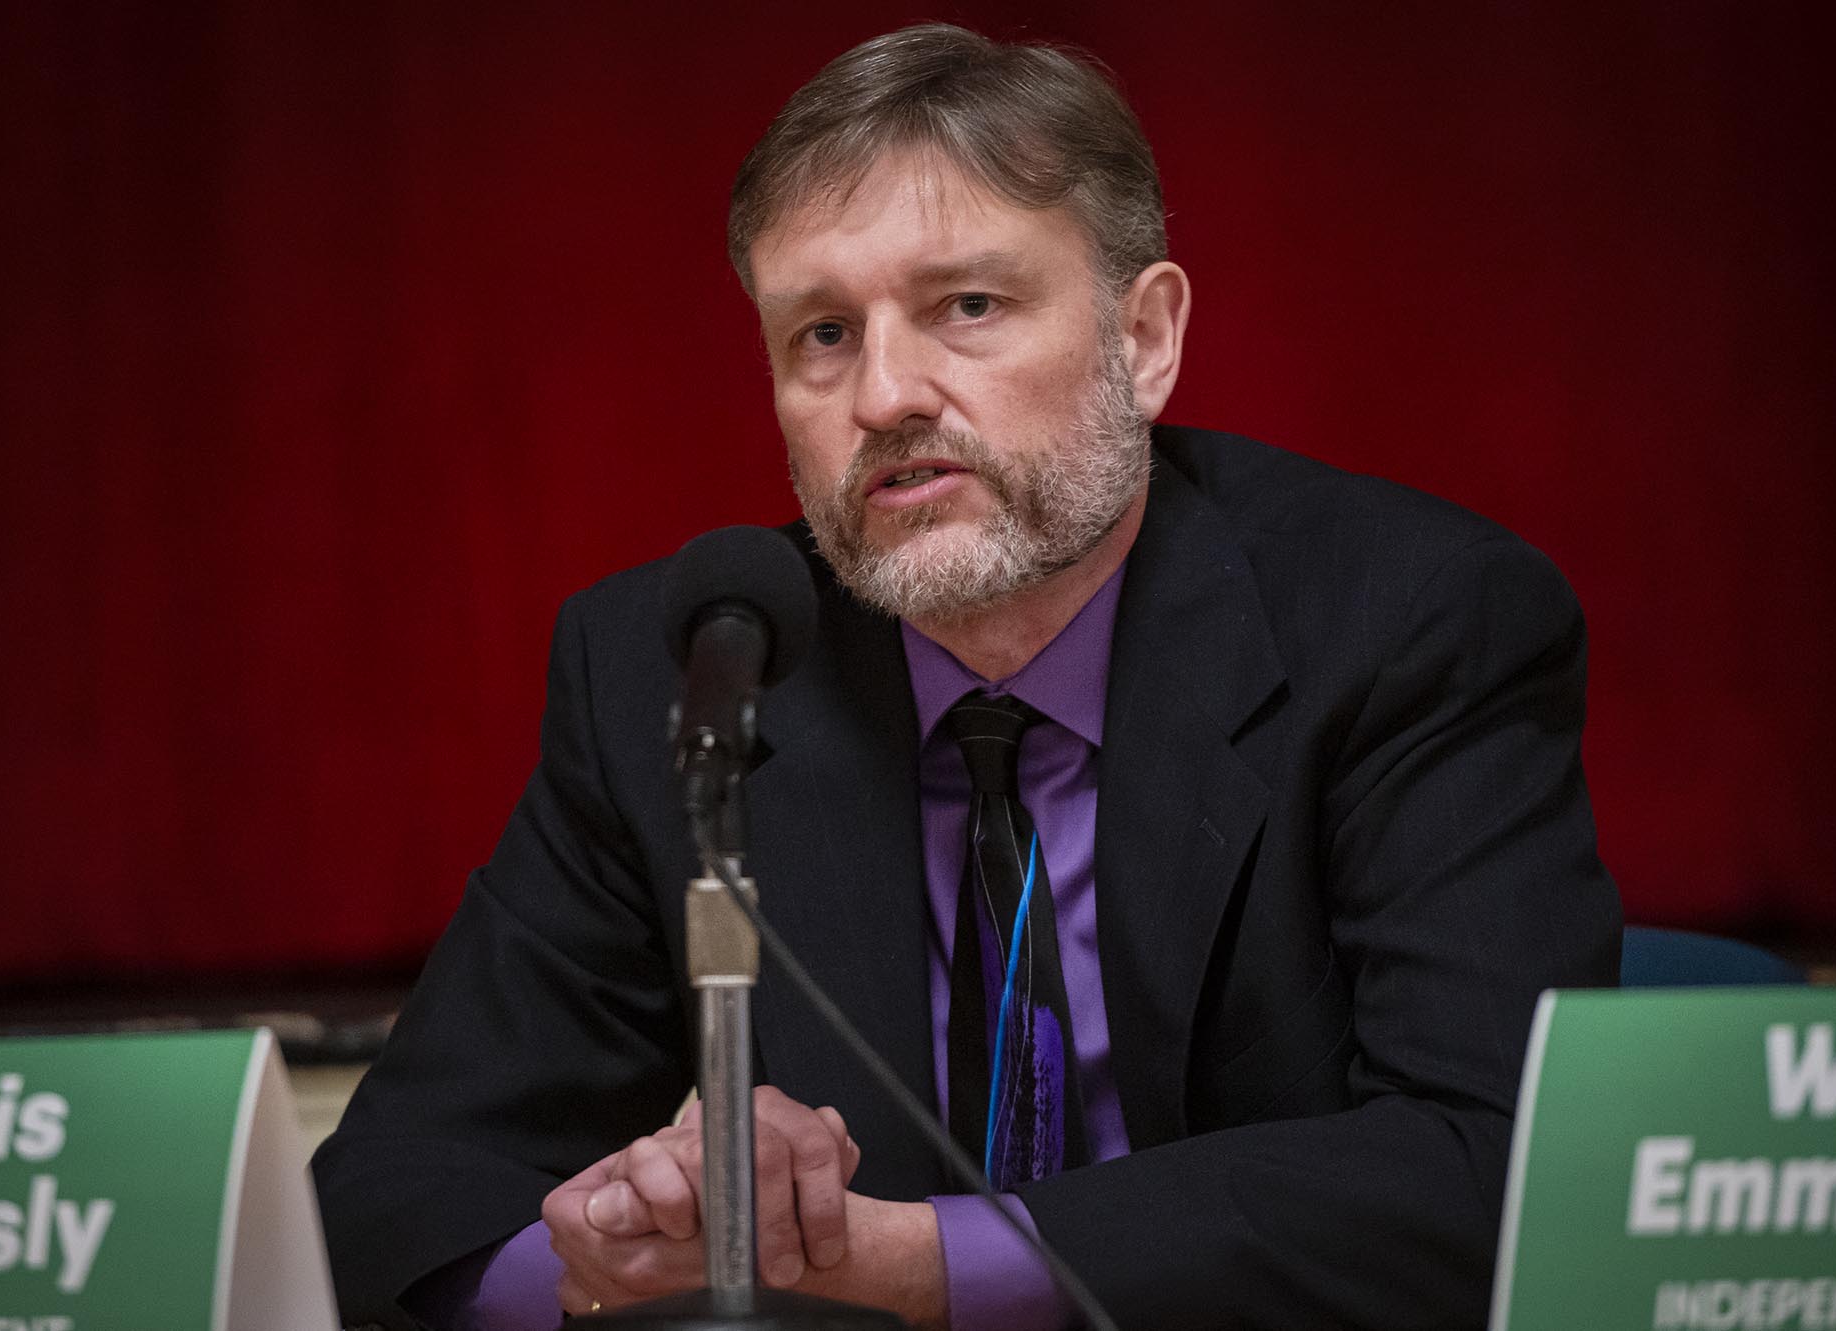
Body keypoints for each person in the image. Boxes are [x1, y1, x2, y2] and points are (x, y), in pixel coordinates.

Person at [314, 23, 1620, 1331]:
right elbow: (384, 1197)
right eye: (823, 333)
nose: (883, 394)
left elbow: (1495, 1170)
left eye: (969, 307)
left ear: (1147, 338)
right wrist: (617, 1250)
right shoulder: (689, 670)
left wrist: (913, 1266)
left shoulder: (1408, 623)